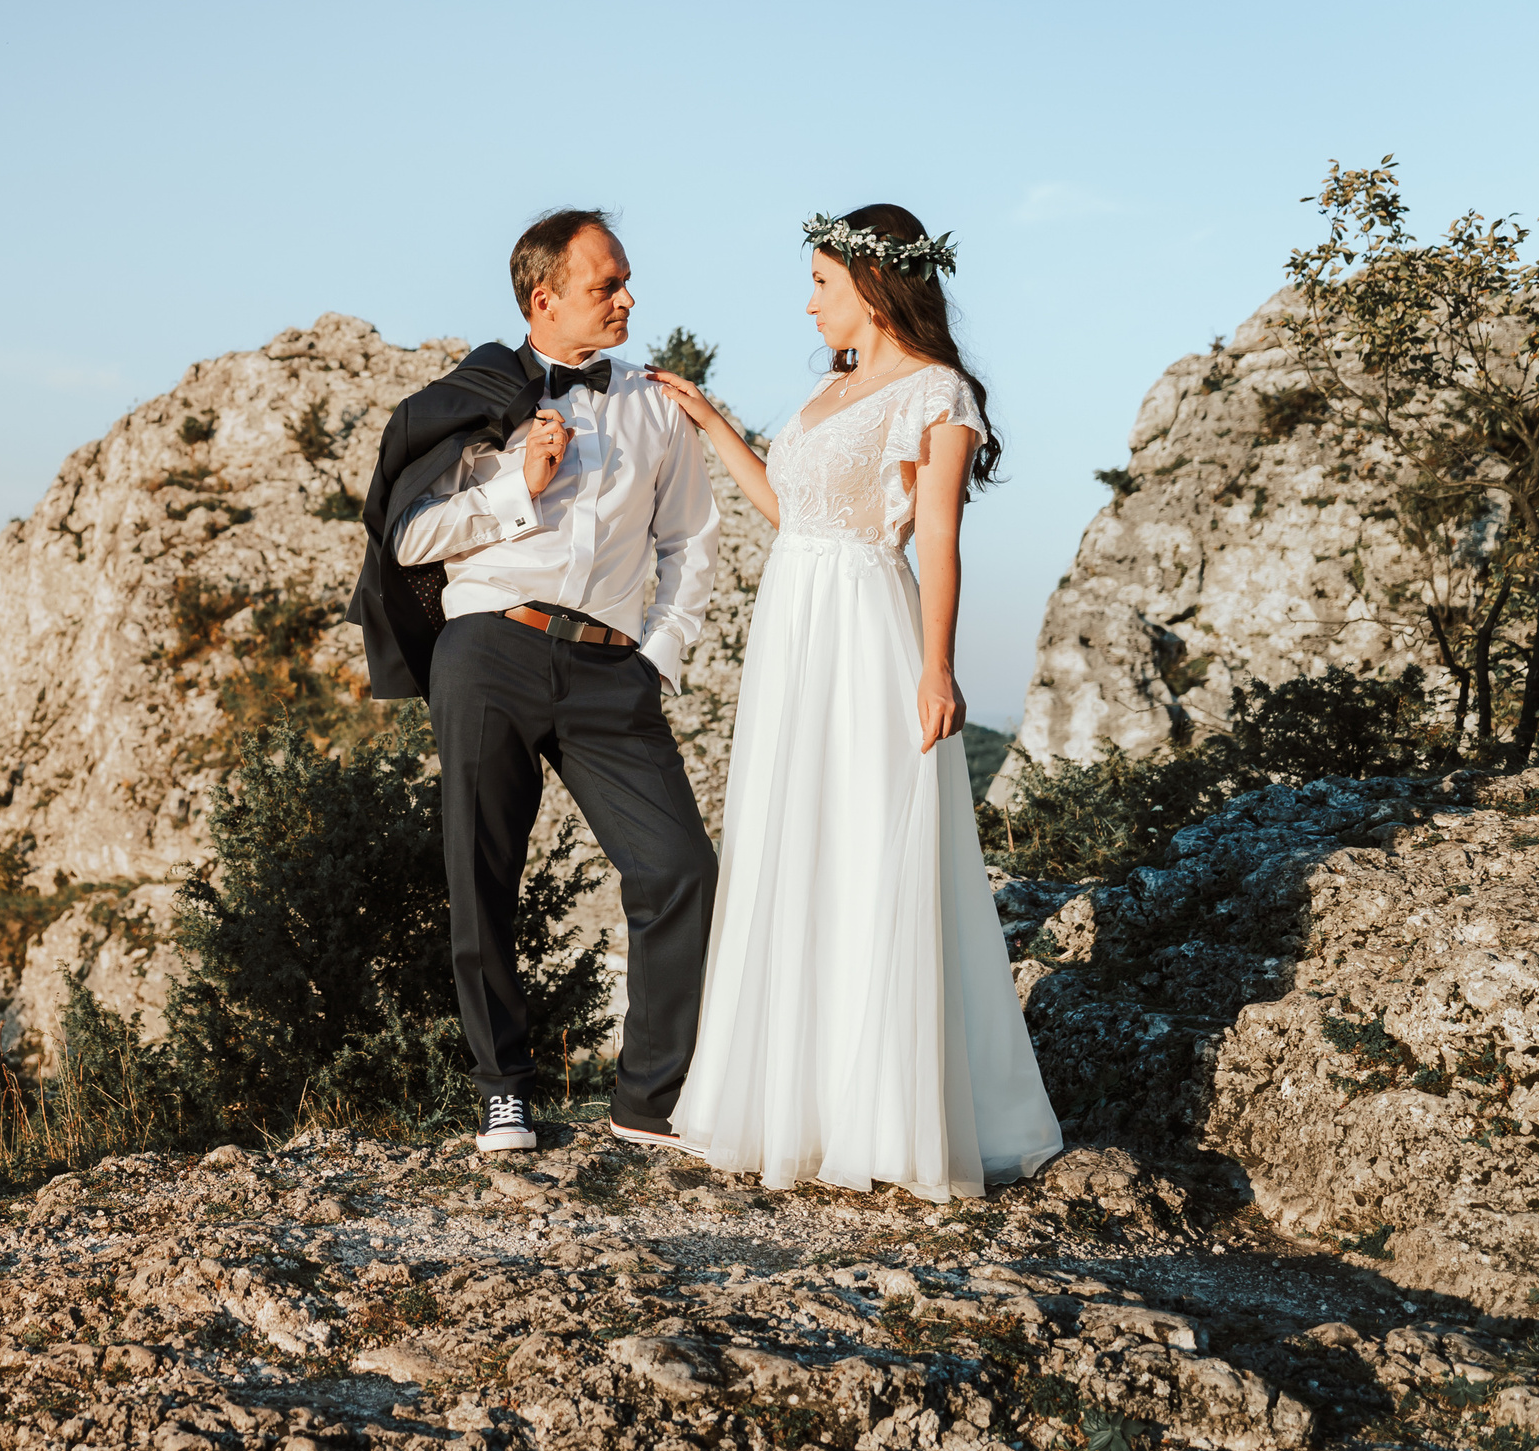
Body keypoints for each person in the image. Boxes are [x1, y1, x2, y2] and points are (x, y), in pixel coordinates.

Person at [646, 204, 1062, 1200]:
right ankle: (790, 1105)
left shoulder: (938, 394)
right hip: (792, 631)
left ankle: (881, 1117)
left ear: (872, 288)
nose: (808, 302)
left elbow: (940, 541)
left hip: (867, 629)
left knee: (870, 848)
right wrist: (709, 421)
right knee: (793, 843)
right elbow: (792, 513)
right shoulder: (831, 392)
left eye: (822, 284)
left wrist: (936, 671)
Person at [346, 209, 723, 1154]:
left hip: (610, 668)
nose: (630, 297)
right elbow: (410, 536)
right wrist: (522, 486)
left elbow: (690, 543)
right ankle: (504, 1089)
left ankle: (649, 1101)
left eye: (629, 278)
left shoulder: (656, 405)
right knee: (482, 871)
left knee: (679, 867)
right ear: (544, 298)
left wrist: (656, 653)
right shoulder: (480, 399)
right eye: (609, 284)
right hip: (491, 650)